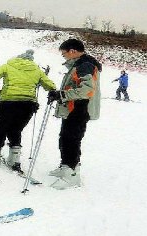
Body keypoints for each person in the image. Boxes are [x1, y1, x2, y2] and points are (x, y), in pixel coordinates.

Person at [0, 49, 56, 172]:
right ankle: (14, 159)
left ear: (18, 58)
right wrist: (54, 92)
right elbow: (50, 85)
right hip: (28, 104)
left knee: (0, 129)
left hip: (8, 103)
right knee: (16, 129)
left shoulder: (8, 66)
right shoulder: (37, 70)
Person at [47, 39, 102, 189]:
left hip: (80, 109)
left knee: (72, 139)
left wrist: (62, 95)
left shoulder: (85, 65)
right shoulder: (79, 64)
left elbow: (87, 90)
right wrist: (60, 95)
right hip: (73, 108)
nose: (63, 56)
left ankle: (72, 175)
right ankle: (66, 166)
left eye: (64, 54)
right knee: (65, 138)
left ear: (72, 51)